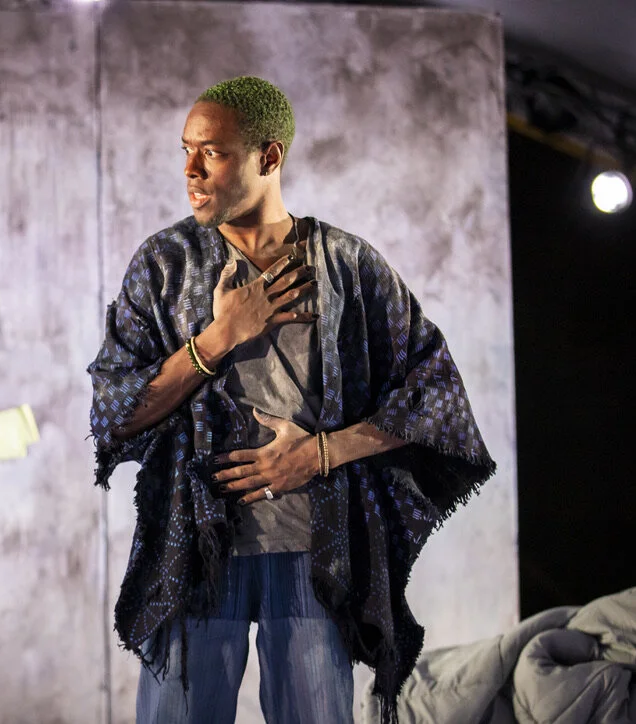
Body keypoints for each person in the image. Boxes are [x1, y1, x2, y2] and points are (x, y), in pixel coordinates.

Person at [87, 76, 496, 724]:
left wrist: (319, 453)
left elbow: (435, 393)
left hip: (313, 553)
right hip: (194, 549)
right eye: (186, 150)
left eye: (212, 153)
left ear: (269, 156)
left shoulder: (346, 265)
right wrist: (220, 336)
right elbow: (114, 412)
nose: (190, 170)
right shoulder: (165, 264)